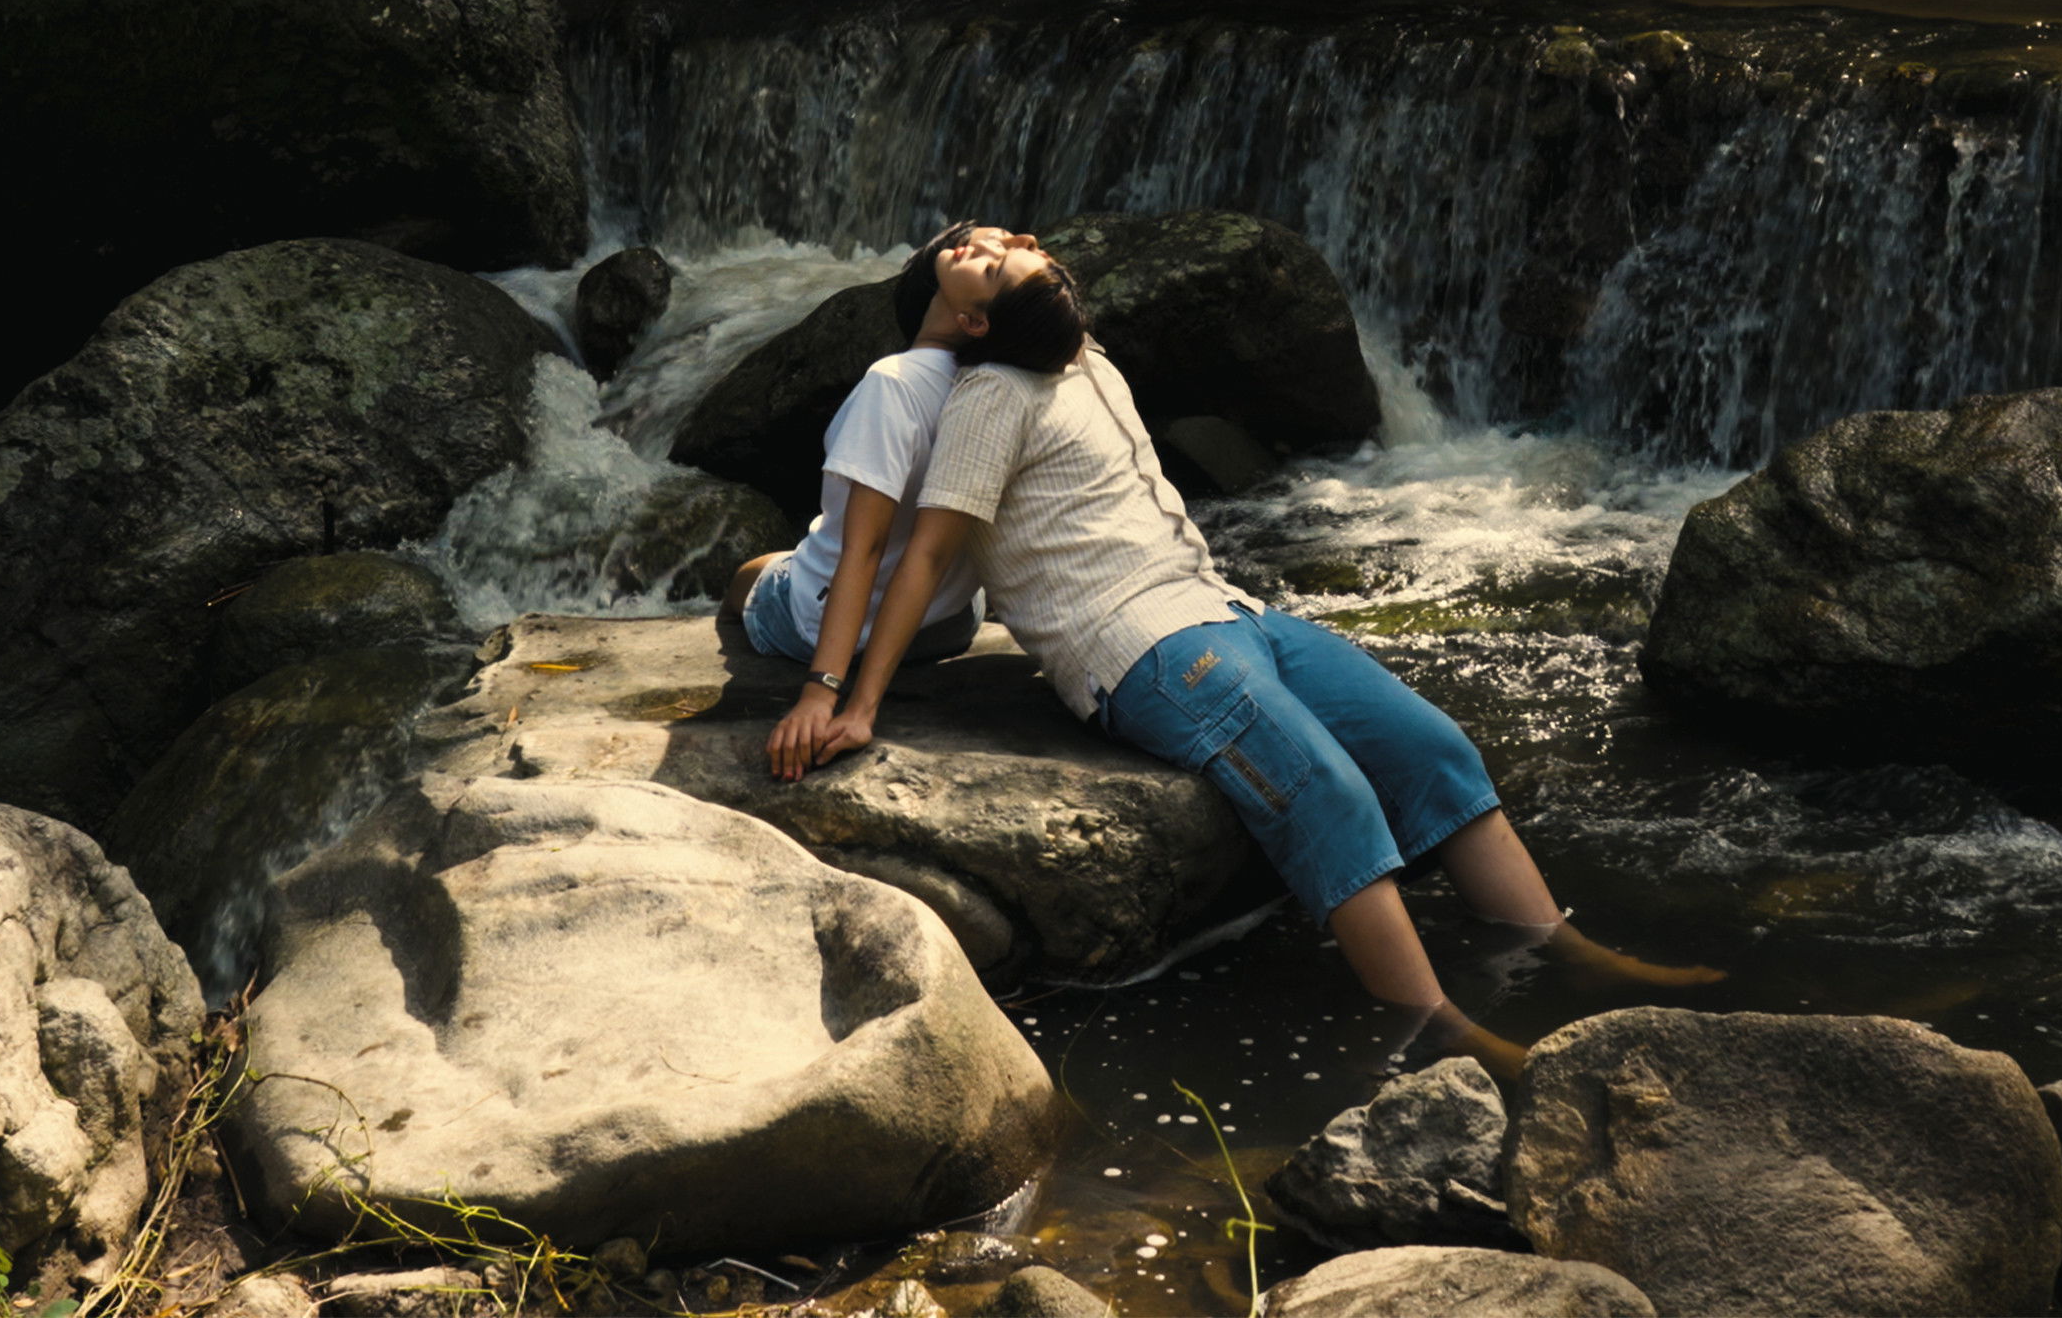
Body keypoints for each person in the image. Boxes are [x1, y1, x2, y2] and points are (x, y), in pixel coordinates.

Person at [768, 229, 1717, 1075]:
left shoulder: (1084, 360)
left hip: (1230, 608)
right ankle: (1437, 1029)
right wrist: (852, 701)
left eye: (1030, 249)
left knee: (1434, 747)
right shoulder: (987, 397)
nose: (1024, 243)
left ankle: (1561, 947)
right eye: (1012, 260)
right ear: (981, 321)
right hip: (1141, 648)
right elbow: (929, 549)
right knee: (1326, 793)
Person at [717, 221, 1013, 692]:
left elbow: (866, 549)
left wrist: (823, 687)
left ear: (973, 317)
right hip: (949, 623)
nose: (975, 246)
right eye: (965, 244)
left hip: (847, 636)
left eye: (990, 256)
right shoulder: (1010, 386)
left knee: (746, 577)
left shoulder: (892, 384)